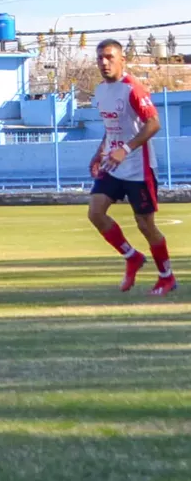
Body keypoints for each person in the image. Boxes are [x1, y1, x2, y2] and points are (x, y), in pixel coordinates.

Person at [87, 39, 176, 296]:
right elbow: (111, 128)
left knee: (145, 224)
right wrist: (100, 152)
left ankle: (167, 277)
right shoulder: (100, 91)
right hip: (113, 165)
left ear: (121, 59)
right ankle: (132, 256)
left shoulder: (133, 88)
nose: (104, 62)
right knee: (95, 213)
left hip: (139, 167)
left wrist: (125, 150)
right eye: (100, 58)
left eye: (109, 57)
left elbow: (154, 123)